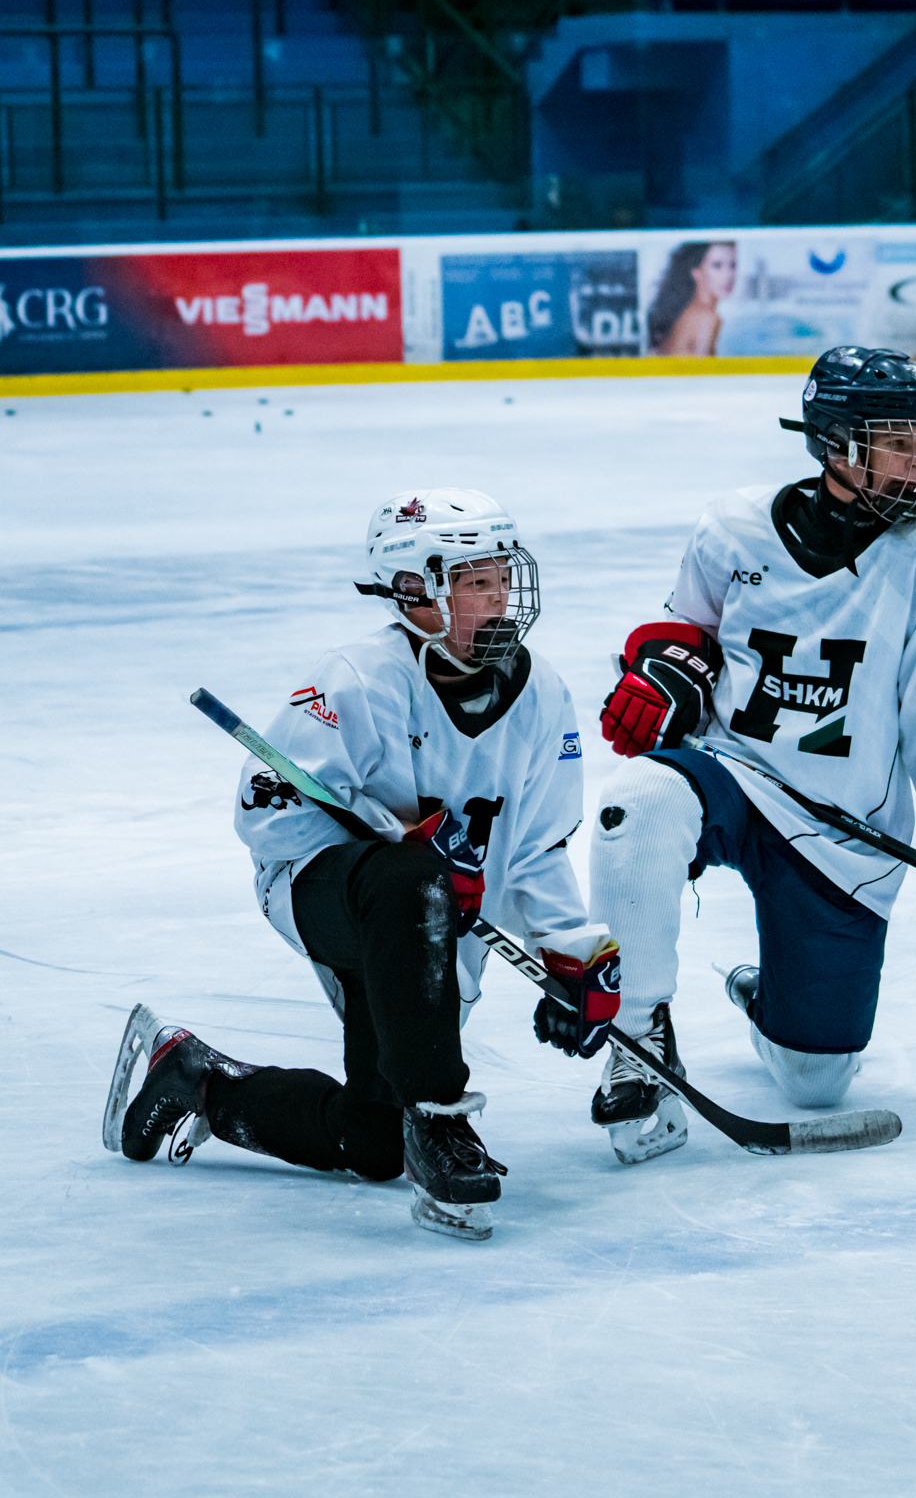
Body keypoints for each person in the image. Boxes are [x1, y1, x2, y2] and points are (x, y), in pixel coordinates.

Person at [541, 347, 916, 1162]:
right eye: (897, 441)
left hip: (845, 832)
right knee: (634, 802)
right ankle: (637, 1042)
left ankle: (768, 998)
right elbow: (686, 633)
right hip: (734, 779)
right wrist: (666, 677)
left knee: (816, 1080)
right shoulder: (733, 524)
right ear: (837, 445)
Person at [104, 490, 621, 1241]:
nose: (501, 599)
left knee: (373, 1144)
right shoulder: (358, 677)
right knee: (413, 883)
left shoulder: (542, 695)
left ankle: (198, 1080)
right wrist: (393, 836)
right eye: (477, 582)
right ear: (416, 592)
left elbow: (536, 847)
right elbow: (264, 814)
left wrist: (568, 949)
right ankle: (443, 1120)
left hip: (431, 936)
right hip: (330, 894)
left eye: (503, 578)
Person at [648, 241, 738, 357]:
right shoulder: (706, 318)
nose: (729, 275)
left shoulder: (687, 311)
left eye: (733, 265)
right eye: (717, 265)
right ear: (696, 272)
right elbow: (703, 373)